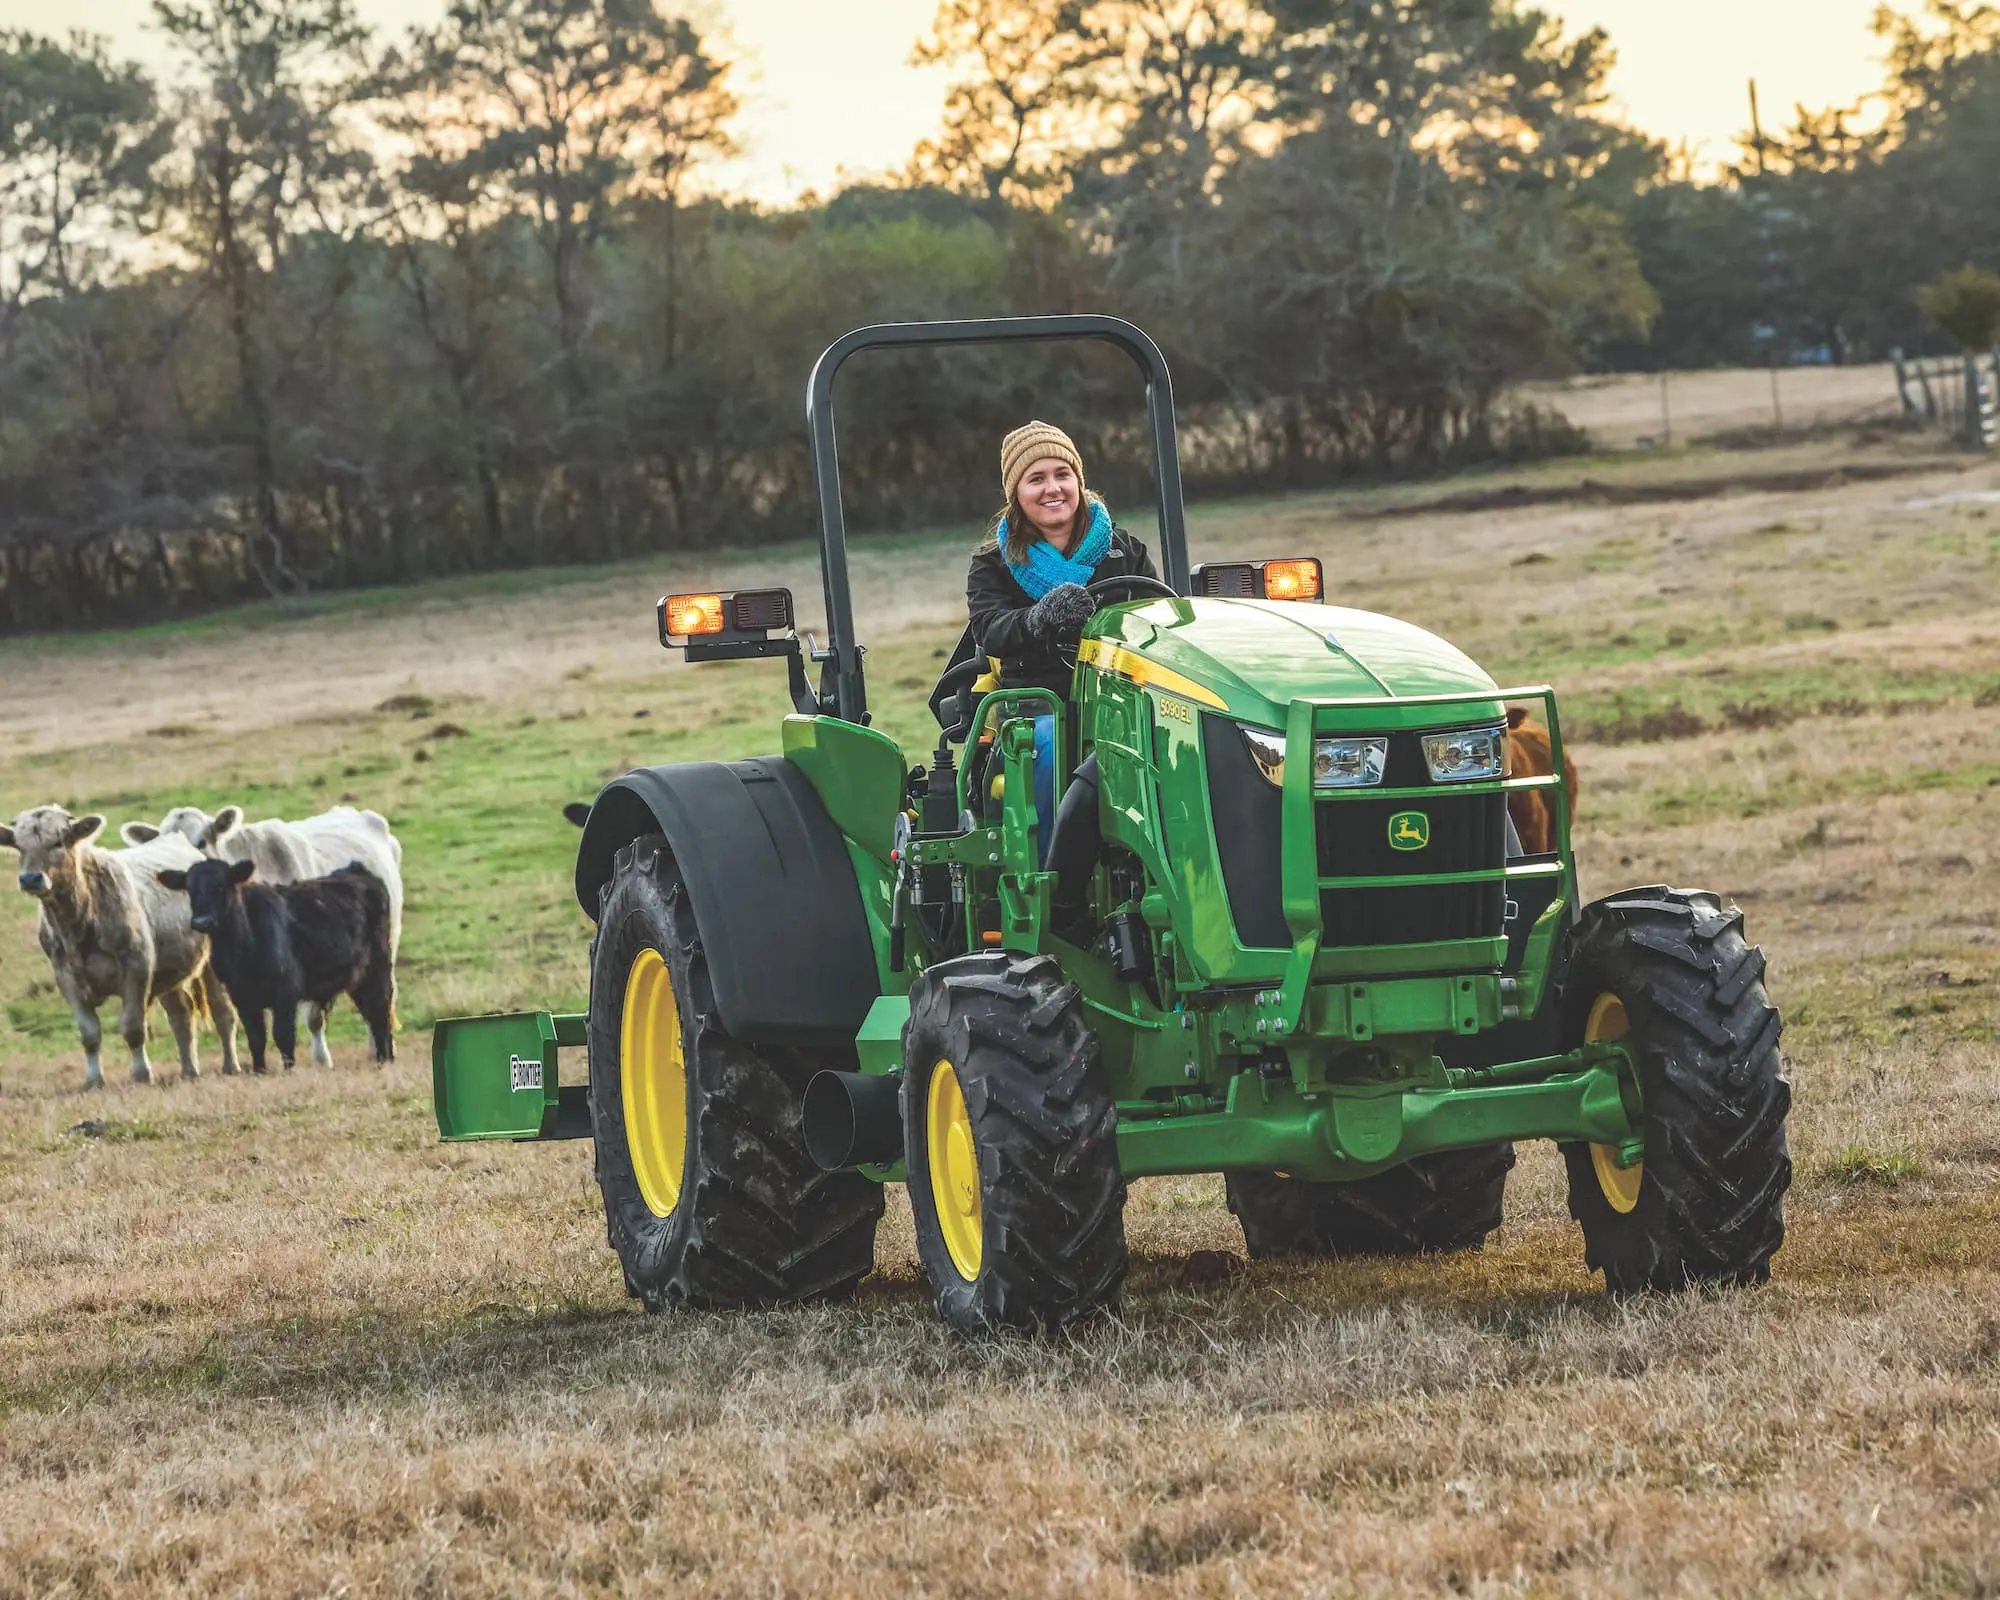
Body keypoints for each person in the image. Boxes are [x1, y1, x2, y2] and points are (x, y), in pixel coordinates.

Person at [965, 421, 1158, 855]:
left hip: (1121, 702)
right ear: (1016, 493)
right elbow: (989, 629)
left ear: (1079, 481)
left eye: (1062, 474)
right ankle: (1055, 879)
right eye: (1036, 479)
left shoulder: (1125, 551)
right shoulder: (993, 564)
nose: (1053, 489)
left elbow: (1157, 619)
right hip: (1037, 708)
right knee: (1052, 745)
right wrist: (1038, 617)